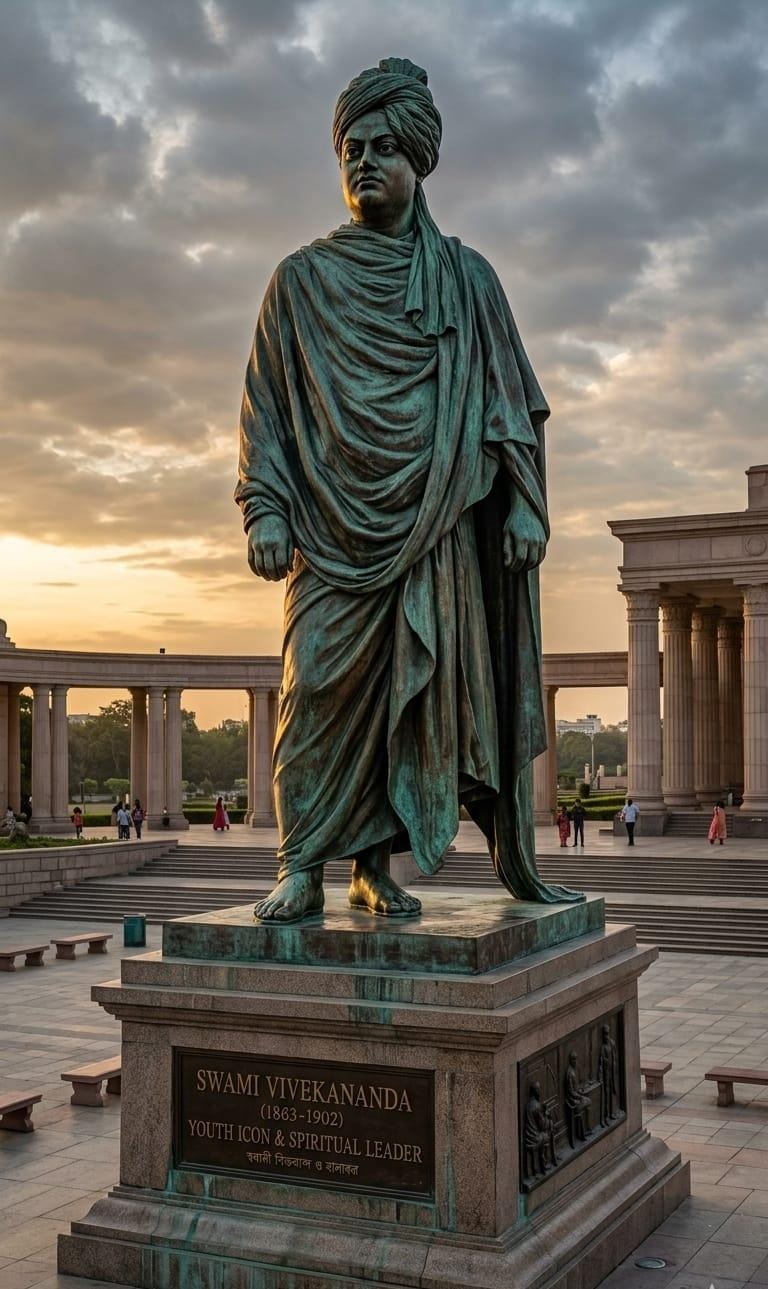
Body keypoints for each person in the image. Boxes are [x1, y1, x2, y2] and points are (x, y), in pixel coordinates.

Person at [236, 56, 582, 924]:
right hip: (330, 532)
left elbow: (510, 404)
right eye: (350, 147)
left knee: (408, 700)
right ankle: (297, 860)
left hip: (434, 534)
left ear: (419, 160)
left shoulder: (468, 280)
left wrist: (528, 503)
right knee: (315, 685)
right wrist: (267, 508)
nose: (363, 161)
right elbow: (266, 411)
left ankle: (370, 868)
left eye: (384, 146)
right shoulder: (299, 283)